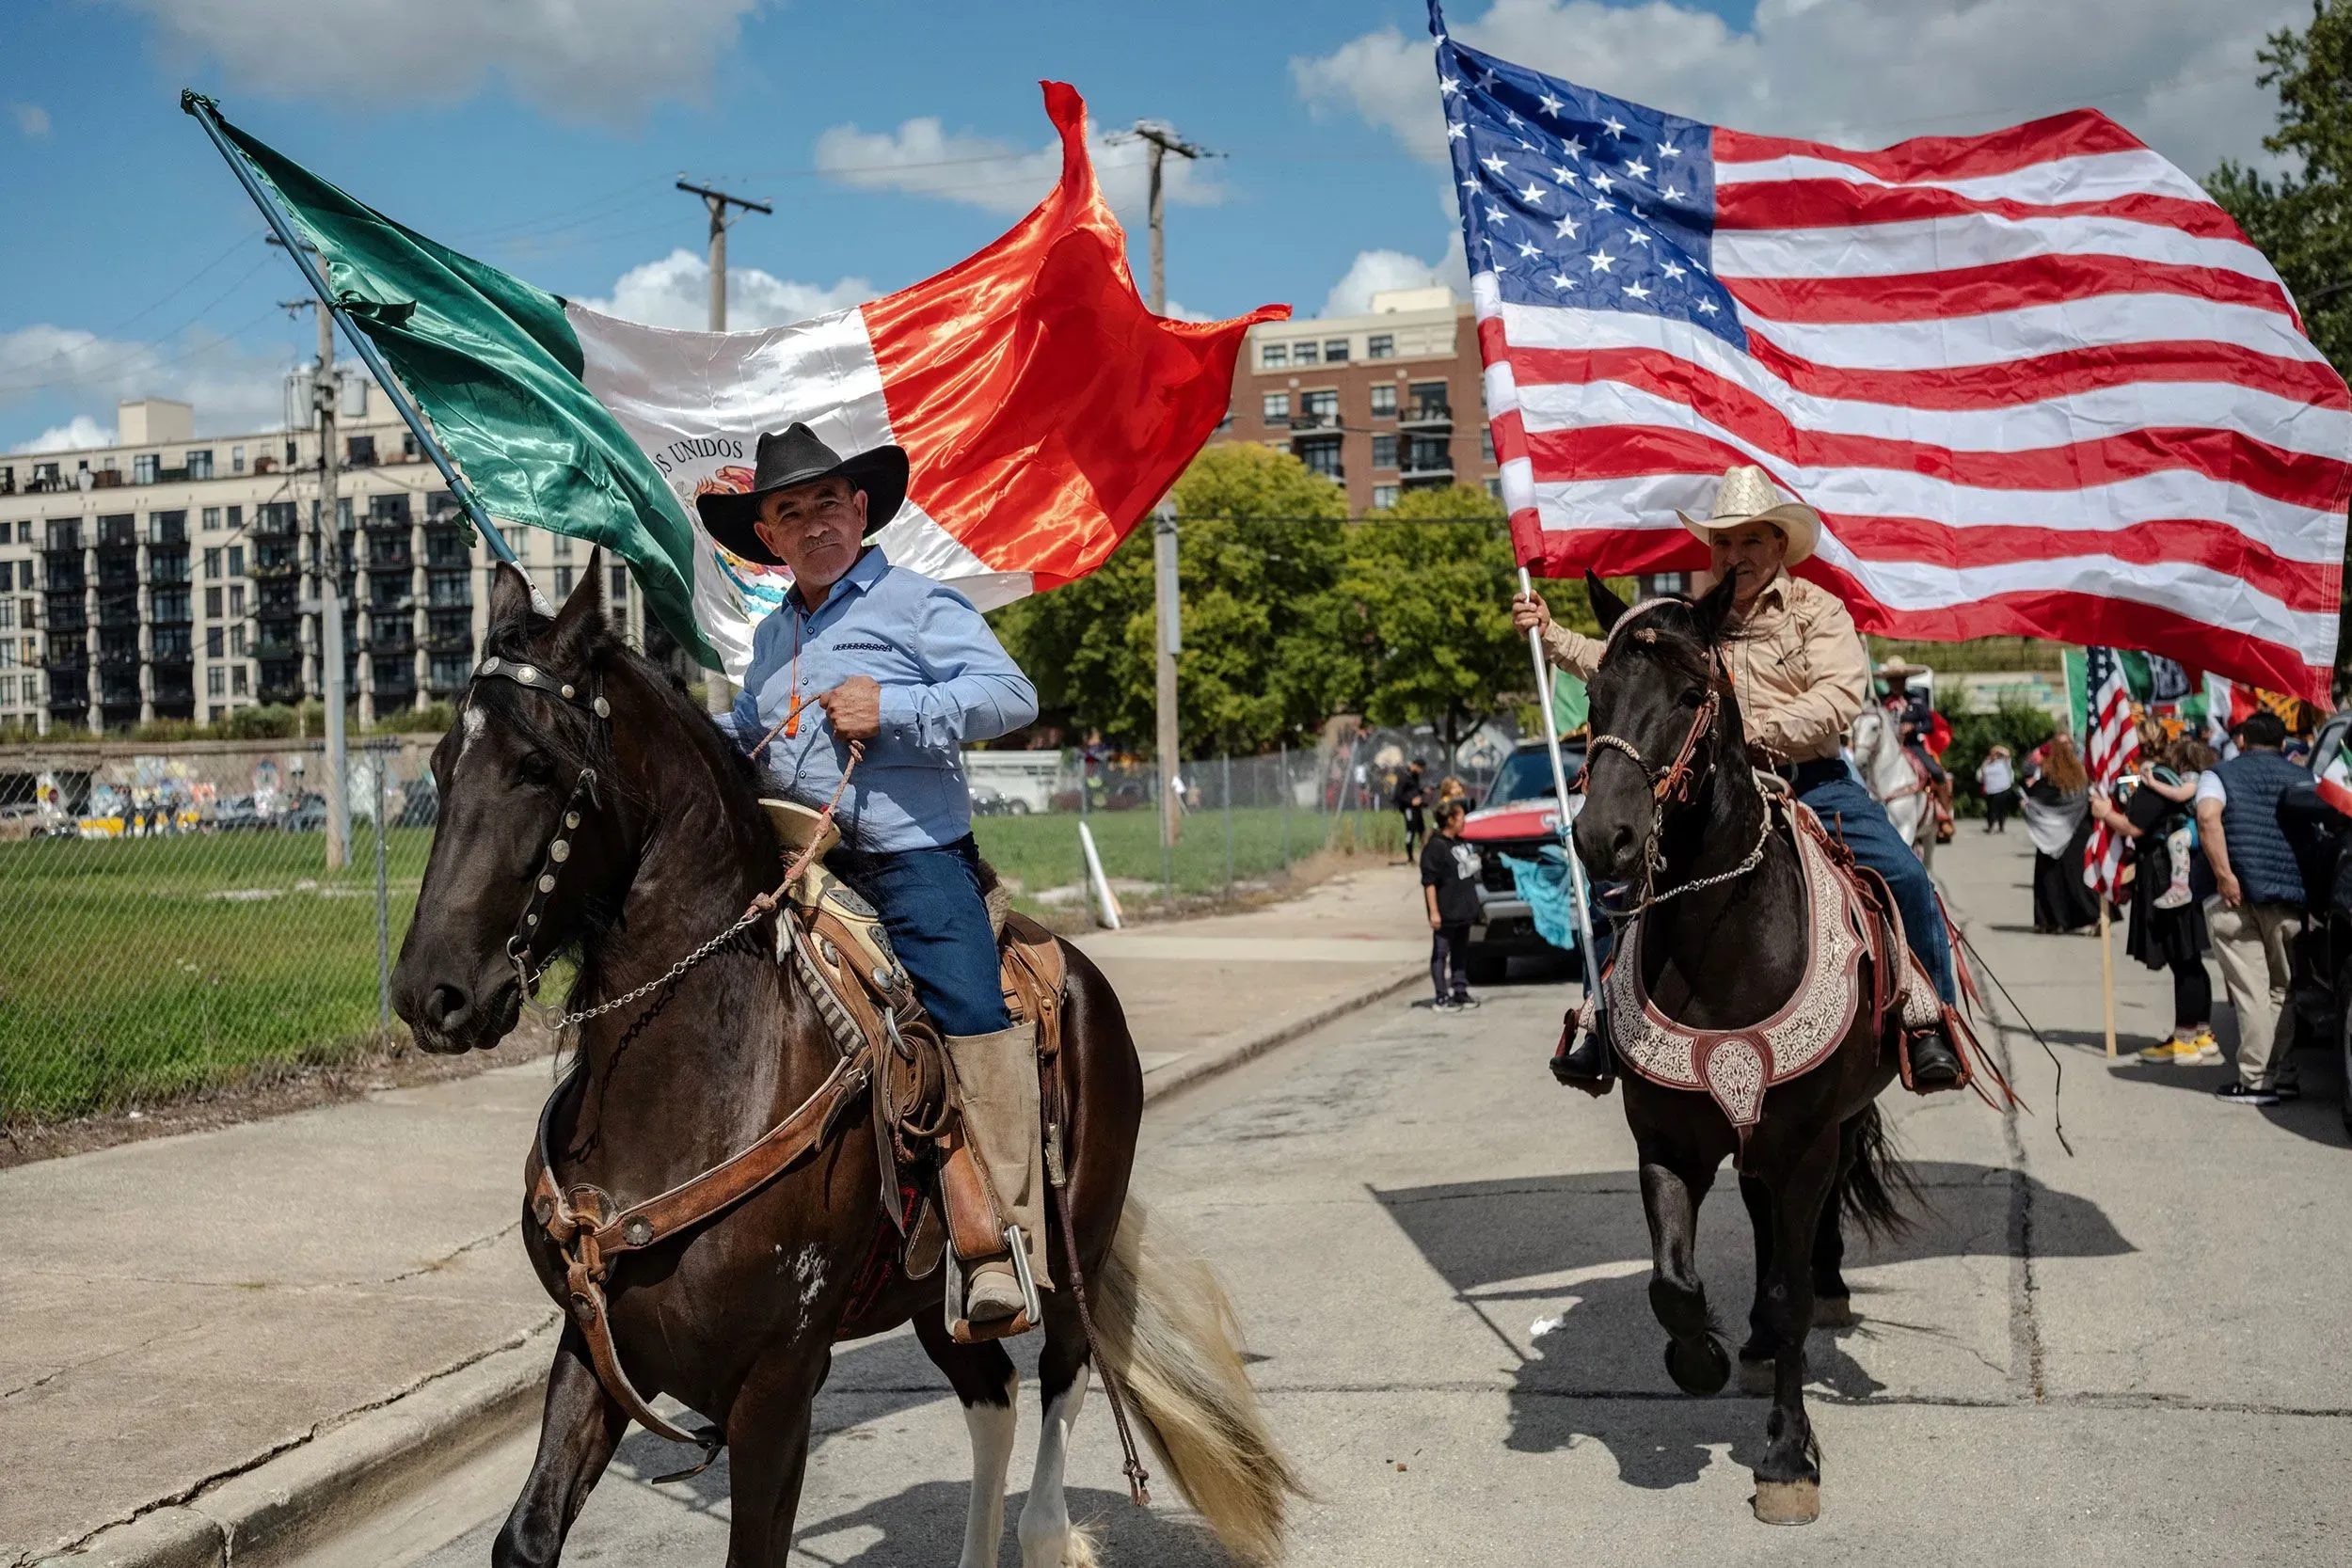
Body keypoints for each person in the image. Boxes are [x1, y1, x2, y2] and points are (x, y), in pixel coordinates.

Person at [707, 422, 1046, 1330]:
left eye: (828, 503)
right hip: (800, 864)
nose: (814, 522)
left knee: (970, 1015)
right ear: (769, 538)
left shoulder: (916, 604)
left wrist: (893, 707)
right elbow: (744, 732)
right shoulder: (772, 636)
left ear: (860, 510)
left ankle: (1001, 1238)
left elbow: (1014, 695)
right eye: (790, 512)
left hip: (913, 861)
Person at [1514, 463, 1964, 1091]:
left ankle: (1928, 1020)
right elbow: (1630, 672)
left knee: (1905, 876)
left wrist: (1745, 730)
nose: (1735, 554)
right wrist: (1552, 632)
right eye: (1723, 542)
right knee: (1614, 879)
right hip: (1713, 792)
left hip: (1813, 780)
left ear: (1780, 545)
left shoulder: (1817, 611)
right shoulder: (1691, 622)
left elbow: (1837, 699)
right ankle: (1599, 1021)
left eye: (1751, 540)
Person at [2197, 711, 2308, 1105]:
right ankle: (2284, 1074)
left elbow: (2208, 817)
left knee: (2251, 990)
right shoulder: (2303, 776)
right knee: (2282, 989)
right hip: (2290, 898)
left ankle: (2256, 1081)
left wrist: (2224, 875)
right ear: (2283, 744)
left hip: (2236, 898)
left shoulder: (2219, 775)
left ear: (2241, 741)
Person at [2091, 738, 2217, 1064]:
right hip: (2188, 875)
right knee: (2189, 958)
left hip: (2167, 878)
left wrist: (2106, 813)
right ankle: (2201, 1034)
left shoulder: (2162, 780)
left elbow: (2134, 826)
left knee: (2182, 957)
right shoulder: (2197, 781)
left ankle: (2186, 1039)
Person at [2023, 736, 2099, 933]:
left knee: (2050, 880)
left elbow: (2037, 801)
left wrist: (2027, 805)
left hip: (2050, 836)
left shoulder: (2047, 781)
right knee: (2078, 877)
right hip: (2079, 833)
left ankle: (2051, 921)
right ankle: (2088, 917)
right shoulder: (2081, 777)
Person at [1421, 800, 1483, 1012]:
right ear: (1450, 820)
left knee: (1460, 953)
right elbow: (1429, 882)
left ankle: (1459, 990)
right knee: (1440, 953)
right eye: (1461, 817)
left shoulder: (1459, 843)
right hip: (1446, 912)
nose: (1464, 820)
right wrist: (1434, 912)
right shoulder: (1435, 847)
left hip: (1463, 911)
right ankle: (1441, 996)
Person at [1395, 759, 1431, 862]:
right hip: (1408, 808)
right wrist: (1411, 801)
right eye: (1421, 769)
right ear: (1415, 765)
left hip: (1417, 808)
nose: (1421, 771)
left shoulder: (1415, 776)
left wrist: (1422, 791)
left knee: (1422, 831)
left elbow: (1412, 791)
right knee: (1410, 831)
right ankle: (1410, 857)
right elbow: (1398, 795)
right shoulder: (1403, 776)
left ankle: (1426, 856)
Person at [1979, 745, 2016, 833]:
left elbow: (2007, 752)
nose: (1993, 756)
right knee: (1990, 810)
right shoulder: (1987, 763)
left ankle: (2001, 827)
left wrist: (1996, 748)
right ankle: (1990, 826)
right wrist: (1987, 762)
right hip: (1990, 790)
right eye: (1992, 755)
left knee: (2002, 809)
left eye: (1995, 755)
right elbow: (1981, 775)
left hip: (2003, 789)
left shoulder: (2004, 762)